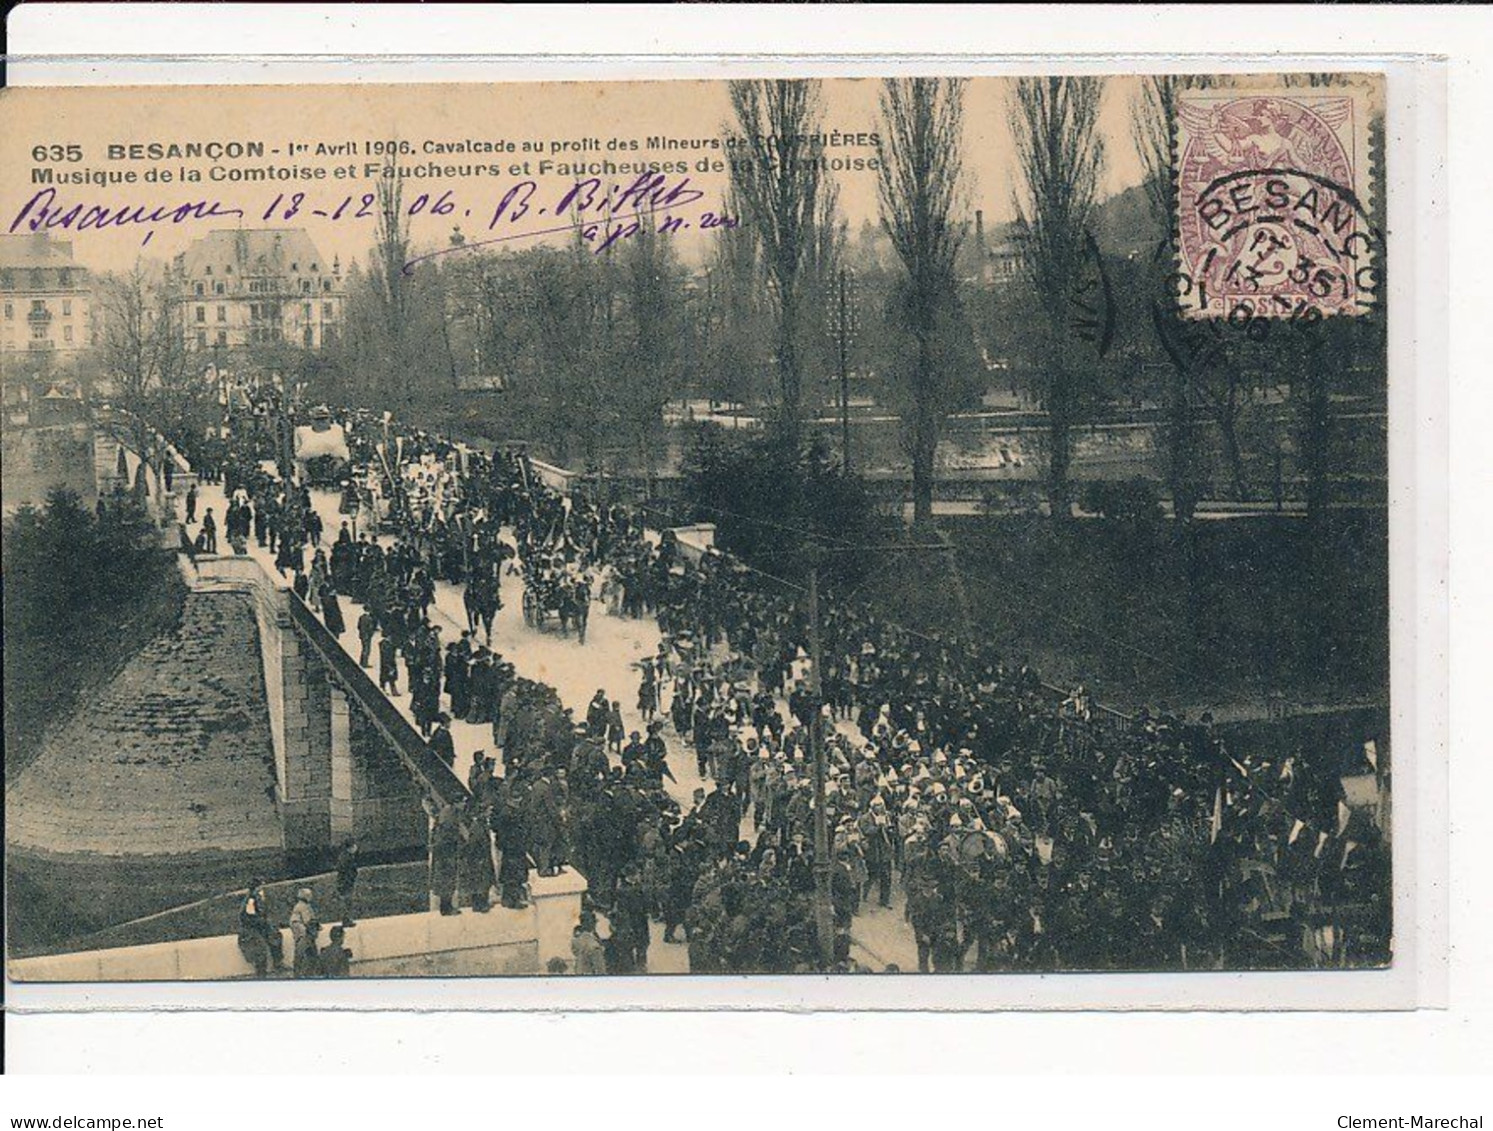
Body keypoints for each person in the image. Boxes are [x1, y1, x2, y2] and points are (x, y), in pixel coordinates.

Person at [236, 879, 282, 977]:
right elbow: (250, 917)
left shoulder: (257, 897)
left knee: (275, 936)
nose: (261, 889)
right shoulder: (251, 899)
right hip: (250, 929)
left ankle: (278, 963)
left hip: (258, 927)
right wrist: (263, 922)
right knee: (259, 950)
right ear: (256, 888)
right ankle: (261, 973)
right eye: (260, 887)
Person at [289, 886, 320, 977]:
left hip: (302, 932)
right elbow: (308, 921)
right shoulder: (303, 906)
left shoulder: (302, 906)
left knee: (308, 954)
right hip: (304, 933)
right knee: (303, 954)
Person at [571, 910, 606, 975]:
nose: (595, 924)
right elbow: (600, 969)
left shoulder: (577, 939)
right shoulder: (593, 944)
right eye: (593, 922)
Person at [334, 838, 359, 927]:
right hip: (346, 883)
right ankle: (347, 920)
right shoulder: (346, 857)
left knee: (348, 902)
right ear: (351, 847)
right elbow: (347, 871)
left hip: (346, 882)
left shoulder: (346, 856)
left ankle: (347, 919)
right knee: (347, 902)